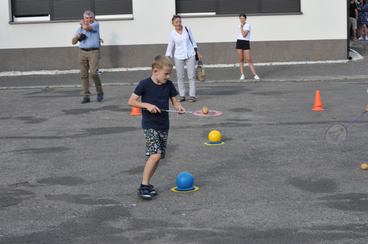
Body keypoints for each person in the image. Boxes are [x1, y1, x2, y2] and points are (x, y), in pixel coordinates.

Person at [128, 55, 185, 200]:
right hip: (149, 125)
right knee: (155, 155)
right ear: (155, 71)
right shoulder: (144, 84)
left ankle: (147, 184)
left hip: (163, 125)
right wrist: (146, 105)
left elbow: (174, 101)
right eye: (166, 73)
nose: (168, 76)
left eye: (169, 73)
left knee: (158, 157)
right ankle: (143, 185)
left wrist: (179, 107)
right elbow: (131, 101)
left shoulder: (168, 85)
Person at [165, 15, 202, 103]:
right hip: (179, 56)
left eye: (180, 21)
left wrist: (197, 51)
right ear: (173, 23)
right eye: (176, 22)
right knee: (180, 76)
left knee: (191, 76)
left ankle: (192, 95)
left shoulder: (187, 28)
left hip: (190, 55)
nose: (179, 23)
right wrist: (167, 57)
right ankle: (182, 95)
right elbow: (170, 46)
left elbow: (193, 41)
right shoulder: (172, 34)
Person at [72, 10, 104, 104]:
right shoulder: (80, 29)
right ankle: (86, 96)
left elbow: (87, 27)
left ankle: (99, 92)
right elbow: (73, 42)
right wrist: (77, 37)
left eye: (90, 17)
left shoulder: (96, 24)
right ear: (84, 18)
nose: (89, 19)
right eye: (86, 18)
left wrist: (82, 24)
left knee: (93, 73)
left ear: (93, 18)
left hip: (93, 52)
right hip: (82, 52)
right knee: (83, 75)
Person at [236, 13, 260, 81]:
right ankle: (242, 75)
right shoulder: (239, 25)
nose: (241, 19)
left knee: (249, 59)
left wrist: (241, 27)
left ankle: (255, 75)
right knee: (241, 59)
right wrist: (240, 26)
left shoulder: (247, 25)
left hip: (246, 42)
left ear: (245, 19)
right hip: (239, 42)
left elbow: (244, 35)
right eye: (240, 18)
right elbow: (241, 35)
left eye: (243, 18)